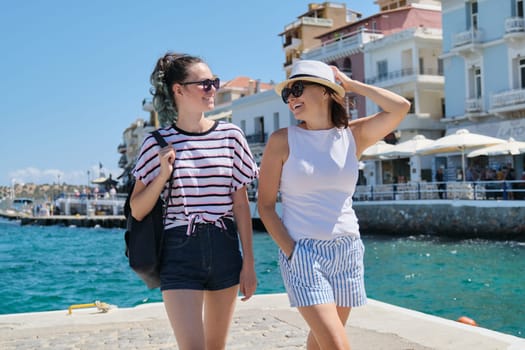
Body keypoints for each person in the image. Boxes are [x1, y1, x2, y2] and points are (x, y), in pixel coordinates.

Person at [258, 60, 410, 349]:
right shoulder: (282, 141)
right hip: (304, 253)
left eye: (298, 88)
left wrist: (351, 85)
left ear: (327, 91)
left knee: (320, 343)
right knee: (337, 345)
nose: (291, 97)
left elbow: (400, 107)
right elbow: (265, 206)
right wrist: (293, 252)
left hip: (347, 250)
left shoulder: (352, 135)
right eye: (287, 93)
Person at [130, 52, 258, 350]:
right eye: (203, 84)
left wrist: (249, 262)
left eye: (213, 82)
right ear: (178, 89)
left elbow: (240, 204)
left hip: (224, 246)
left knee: (216, 347)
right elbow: (137, 210)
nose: (212, 89)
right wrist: (163, 175)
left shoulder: (231, 136)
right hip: (179, 251)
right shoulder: (156, 143)